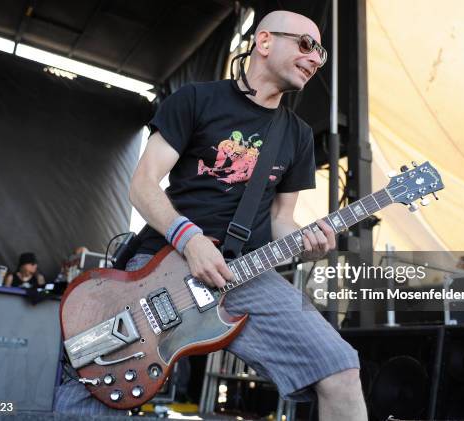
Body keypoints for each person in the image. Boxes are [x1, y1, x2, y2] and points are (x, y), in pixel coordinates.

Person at [54, 10, 367, 420]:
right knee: (96, 385)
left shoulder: (298, 135)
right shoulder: (197, 99)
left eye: (321, 54)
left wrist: (310, 247)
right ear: (265, 41)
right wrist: (190, 239)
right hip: (164, 262)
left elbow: (281, 220)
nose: (315, 59)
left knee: (340, 370)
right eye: (306, 45)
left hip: (247, 274)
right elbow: (143, 185)